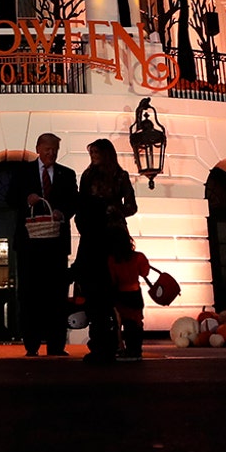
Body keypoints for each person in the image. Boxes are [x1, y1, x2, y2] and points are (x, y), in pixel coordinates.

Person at [8, 132, 78, 356]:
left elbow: (73, 202)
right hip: (29, 245)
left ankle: (57, 346)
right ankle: (31, 345)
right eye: (48, 149)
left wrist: (62, 212)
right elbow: (9, 198)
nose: (51, 153)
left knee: (57, 296)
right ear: (38, 148)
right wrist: (25, 199)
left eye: (55, 150)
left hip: (55, 244)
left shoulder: (67, 174)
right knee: (30, 296)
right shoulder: (22, 172)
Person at [75, 138, 137, 363]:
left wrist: (113, 209)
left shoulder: (120, 176)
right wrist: (83, 223)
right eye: (91, 153)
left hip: (113, 236)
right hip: (92, 235)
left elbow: (131, 206)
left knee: (118, 289)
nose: (93, 157)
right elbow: (82, 203)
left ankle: (122, 341)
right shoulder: (87, 175)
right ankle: (99, 343)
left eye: (97, 153)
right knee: (94, 291)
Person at [106, 235, 152, 361]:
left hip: (120, 294)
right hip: (135, 293)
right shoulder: (138, 257)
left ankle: (123, 348)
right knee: (136, 322)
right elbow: (145, 272)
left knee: (122, 322)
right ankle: (136, 350)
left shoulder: (111, 259)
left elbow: (112, 279)